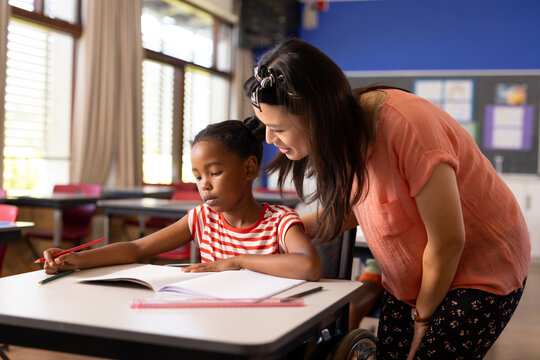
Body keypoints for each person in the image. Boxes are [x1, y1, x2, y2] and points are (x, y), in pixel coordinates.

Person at [243, 38, 530, 359]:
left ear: (315, 116)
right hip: (414, 271)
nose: (269, 138)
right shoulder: (341, 134)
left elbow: (448, 242)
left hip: (478, 268)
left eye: (277, 128)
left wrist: (422, 318)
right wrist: (281, 230)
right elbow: (354, 208)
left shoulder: (407, 127)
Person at [42, 118, 322, 282]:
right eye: (198, 176)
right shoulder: (202, 219)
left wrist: (236, 261)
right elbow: (137, 247)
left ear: (249, 169)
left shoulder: (279, 222)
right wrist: (77, 259)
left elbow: (308, 265)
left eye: (215, 172)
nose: (205, 185)